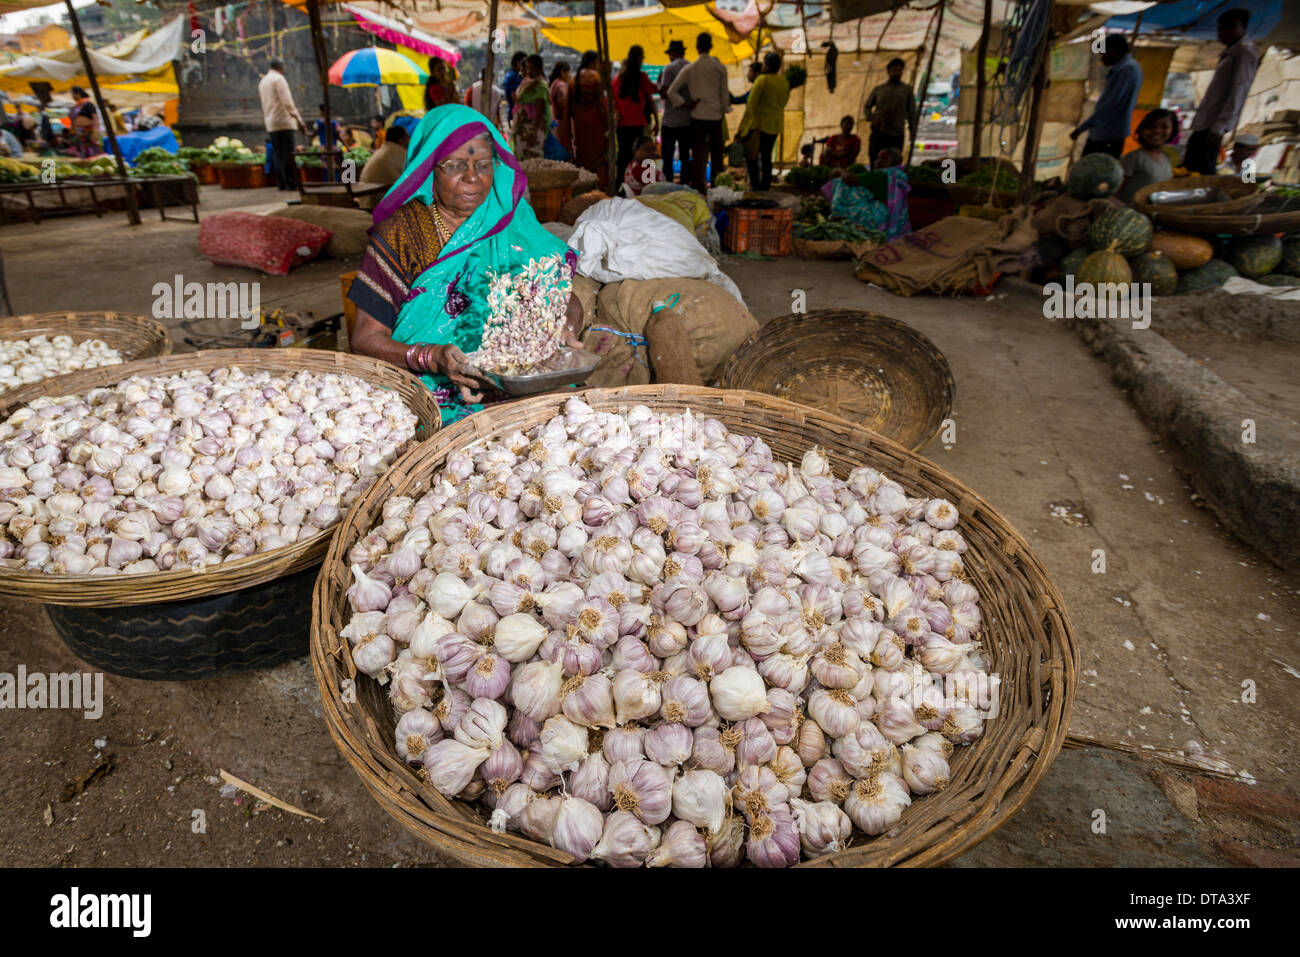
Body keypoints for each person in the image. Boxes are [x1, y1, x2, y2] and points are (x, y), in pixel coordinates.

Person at [348, 105, 585, 425]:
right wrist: (432, 357)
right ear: (430, 168)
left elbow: (565, 298)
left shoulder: (510, 225)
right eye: (456, 165)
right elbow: (365, 338)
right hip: (428, 390)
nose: (472, 177)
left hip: (519, 383)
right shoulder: (404, 233)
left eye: (483, 165)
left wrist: (563, 327)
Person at [1185, 9, 1259, 175]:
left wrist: (1219, 127)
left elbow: (1238, 90)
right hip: (1207, 122)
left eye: (1230, 27)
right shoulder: (1231, 51)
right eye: (1221, 28)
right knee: (1191, 170)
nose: (1224, 32)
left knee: (1201, 172)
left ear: (1244, 27)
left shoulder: (1244, 50)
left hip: (1212, 125)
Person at [669, 32, 731, 194]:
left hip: (697, 117)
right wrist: (724, 109)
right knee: (717, 158)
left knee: (698, 158)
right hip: (716, 117)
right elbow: (724, 95)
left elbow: (671, 92)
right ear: (711, 47)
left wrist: (685, 104)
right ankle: (718, 192)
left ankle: (699, 192)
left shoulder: (690, 69)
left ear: (697, 47)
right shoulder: (719, 67)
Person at [1068, 34, 1141, 159]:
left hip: (1108, 134)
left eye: (1104, 53)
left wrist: (1082, 128)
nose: (1102, 58)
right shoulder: (1128, 68)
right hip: (1107, 133)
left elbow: (1111, 105)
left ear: (1113, 51)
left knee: (1094, 170)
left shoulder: (1126, 70)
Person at [737, 51, 790, 191]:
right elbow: (783, 103)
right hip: (774, 125)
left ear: (766, 65)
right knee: (767, 157)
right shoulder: (784, 82)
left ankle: (755, 185)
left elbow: (751, 105)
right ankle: (765, 185)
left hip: (758, 126)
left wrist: (742, 128)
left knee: (752, 157)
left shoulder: (762, 80)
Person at [258, 59, 307, 191]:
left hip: (271, 122)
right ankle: (291, 182)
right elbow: (288, 103)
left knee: (278, 154)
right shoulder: (279, 79)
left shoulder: (263, 81)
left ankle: (281, 183)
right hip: (283, 121)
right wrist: (299, 121)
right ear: (281, 67)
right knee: (288, 153)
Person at [614, 45, 659, 185]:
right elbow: (654, 89)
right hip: (638, 124)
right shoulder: (641, 78)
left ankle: (622, 185)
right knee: (646, 155)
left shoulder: (616, 80)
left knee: (623, 157)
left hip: (622, 125)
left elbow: (611, 100)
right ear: (640, 59)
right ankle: (647, 184)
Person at [863, 58, 916, 169]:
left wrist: (912, 131)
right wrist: (872, 118)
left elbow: (912, 113)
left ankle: (892, 185)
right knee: (875, 161)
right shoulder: (879, 89)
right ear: (888, 71)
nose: (896, 72)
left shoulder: (907, 90)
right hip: (879, 132)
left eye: (899, 70)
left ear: (902, 72)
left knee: (894, 164)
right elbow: (867, 107)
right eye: (894, 70)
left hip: (897, 133)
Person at [1118, 109, 1175, 204]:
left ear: (1172, 131)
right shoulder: (1133, 158)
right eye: (1152, 127)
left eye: (1164, 127)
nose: (1157, 131)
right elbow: (1115, 193)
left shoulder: (1166, 158)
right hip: (1132, 215)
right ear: (1142, 131)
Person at [571, 50, 609, 183]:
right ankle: (599, 183)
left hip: (579, 122)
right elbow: (601, 105)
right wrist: (608, 123)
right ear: (593, 62)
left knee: (584, 155)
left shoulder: (574, 78)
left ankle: (584, 183)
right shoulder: (595, 76)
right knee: (598, 155)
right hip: (595, 121)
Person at [658, 39, 692, 184]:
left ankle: (668, 185)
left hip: (670, 121)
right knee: (685, 157)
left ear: (672, 53)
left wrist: (659, 84)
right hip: (687, 120)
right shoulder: (691, 67)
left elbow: (664, 92)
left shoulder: (669, 68)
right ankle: (684, 185)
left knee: (668, 158)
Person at [357, 124, 409, 208]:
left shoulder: (383, 150)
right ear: (401, 140)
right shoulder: (399, 152)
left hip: (366, 201)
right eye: (408, 138)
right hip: (380, 203)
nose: (409, 141)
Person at [511, 54, 552, 160]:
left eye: (532, 68)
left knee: (533, 158)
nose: (529, 71)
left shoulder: (540, 86)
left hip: (533, 128)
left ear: (539, 69)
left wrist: (533, 131)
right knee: (521, 157)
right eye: (527, 68)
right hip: (523, 126)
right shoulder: (527, 83)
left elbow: (540, 111)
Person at [67, 86, 102, 158]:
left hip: (89, 132)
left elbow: (95, 117)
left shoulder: (88, 104)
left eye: (73, 94)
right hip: (80, 133)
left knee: (92, 152)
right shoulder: (77, 106)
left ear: (78, 94)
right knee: (82, 153)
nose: (72, 96)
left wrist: (95, 132)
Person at [549, 61, 573, 155]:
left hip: (556, 121)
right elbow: (564, 105)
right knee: (564, 149)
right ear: (563, 72)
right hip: (562, 122)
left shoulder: (554, 83)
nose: (569, 76)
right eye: (568, 73)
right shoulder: (560, 86)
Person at [503, 51, 527, 122]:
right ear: (518, 63)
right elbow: (515, 98)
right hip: (516, 115)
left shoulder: (510, 75)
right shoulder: (514, 77)